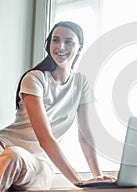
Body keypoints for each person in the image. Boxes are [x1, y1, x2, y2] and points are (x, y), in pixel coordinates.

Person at [0, 21, 115, 191]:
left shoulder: (81, 83)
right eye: (55, 40)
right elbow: (45, 138)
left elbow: (85, 137)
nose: (61, 46)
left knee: (15, 157)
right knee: (12, 155)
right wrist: (79, 182)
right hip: (5, 145)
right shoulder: (35, 79)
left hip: (40, 162)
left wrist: (98, 178)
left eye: (69, 41)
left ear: (79, 47)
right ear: (49, 44)